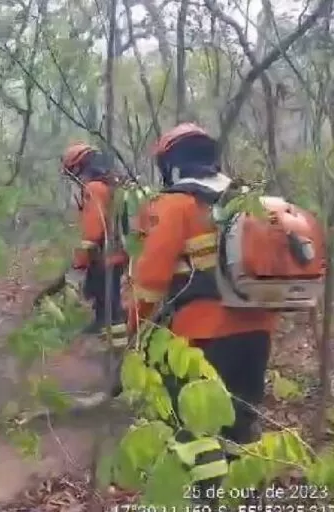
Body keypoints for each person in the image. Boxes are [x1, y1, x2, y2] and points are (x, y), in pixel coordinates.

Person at [126, 123, 281, 504]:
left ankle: (207, 499)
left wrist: (134, 329)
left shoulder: (174, 204)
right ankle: (246, 497)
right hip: (258, 332)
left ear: (172, 164)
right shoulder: (245, 198)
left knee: (196, 430)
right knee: (241, 422)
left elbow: (150, 281)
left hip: (201, 340)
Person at [60, 142, 128, 352]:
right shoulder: (111, 184)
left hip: (104, 254)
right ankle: (101, 328)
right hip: (114, 252)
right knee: (100, 295)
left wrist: (80, 260)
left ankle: (117, 349)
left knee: (109, 303)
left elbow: (92, 230)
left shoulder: (95, 188)